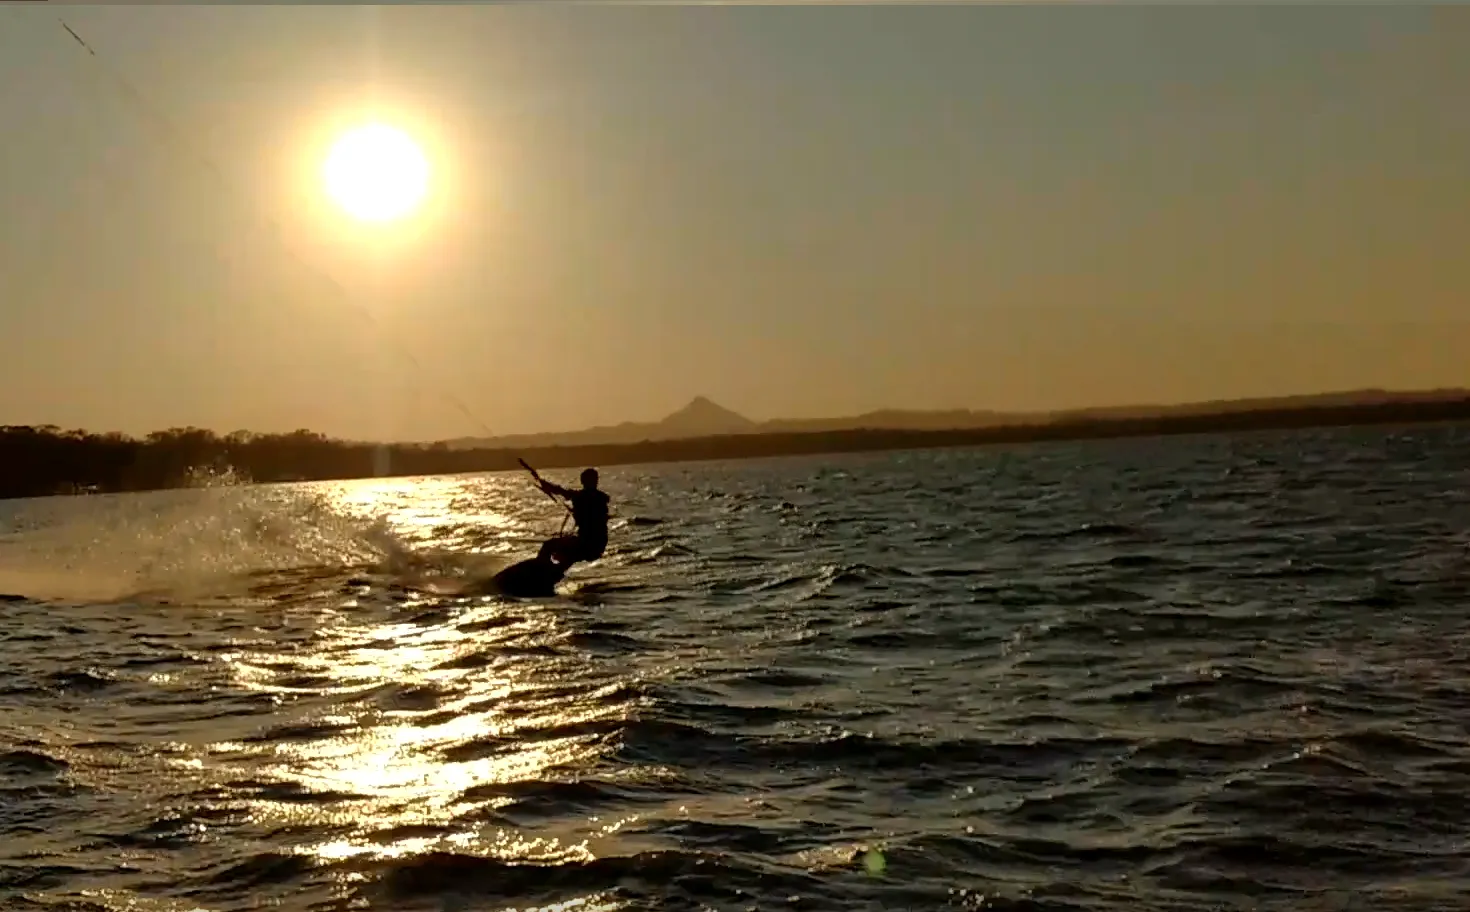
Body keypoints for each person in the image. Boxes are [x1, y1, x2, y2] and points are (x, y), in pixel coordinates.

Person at [534, 467, 610, 568]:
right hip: (598, 546)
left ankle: (539, 570)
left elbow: (560, 491)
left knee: (549, 546)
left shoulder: (582, 497)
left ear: (583, 481)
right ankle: (552, 569)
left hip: (586, 545)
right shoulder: (599, 498)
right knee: (562, 553)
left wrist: (543, 483)